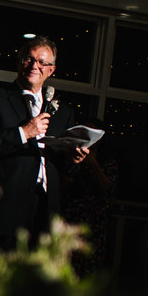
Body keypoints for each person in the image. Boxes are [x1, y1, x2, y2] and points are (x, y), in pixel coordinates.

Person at [0, 35, 89, 249]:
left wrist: (74, 159)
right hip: (6, 209)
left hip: (46, 211)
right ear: (19, 62)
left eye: (42, 62)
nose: (35, 66)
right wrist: (23, 132)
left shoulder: (63, 113)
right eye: (29, 59)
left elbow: (65, 168)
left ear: (51, 70)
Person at [62, 117, 118, 277]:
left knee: (89, 268)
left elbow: (108, 187)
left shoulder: (107, 162)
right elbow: (64, 186)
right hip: (71, 219)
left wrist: (93, 163)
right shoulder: (71, 158)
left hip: (94, 223)